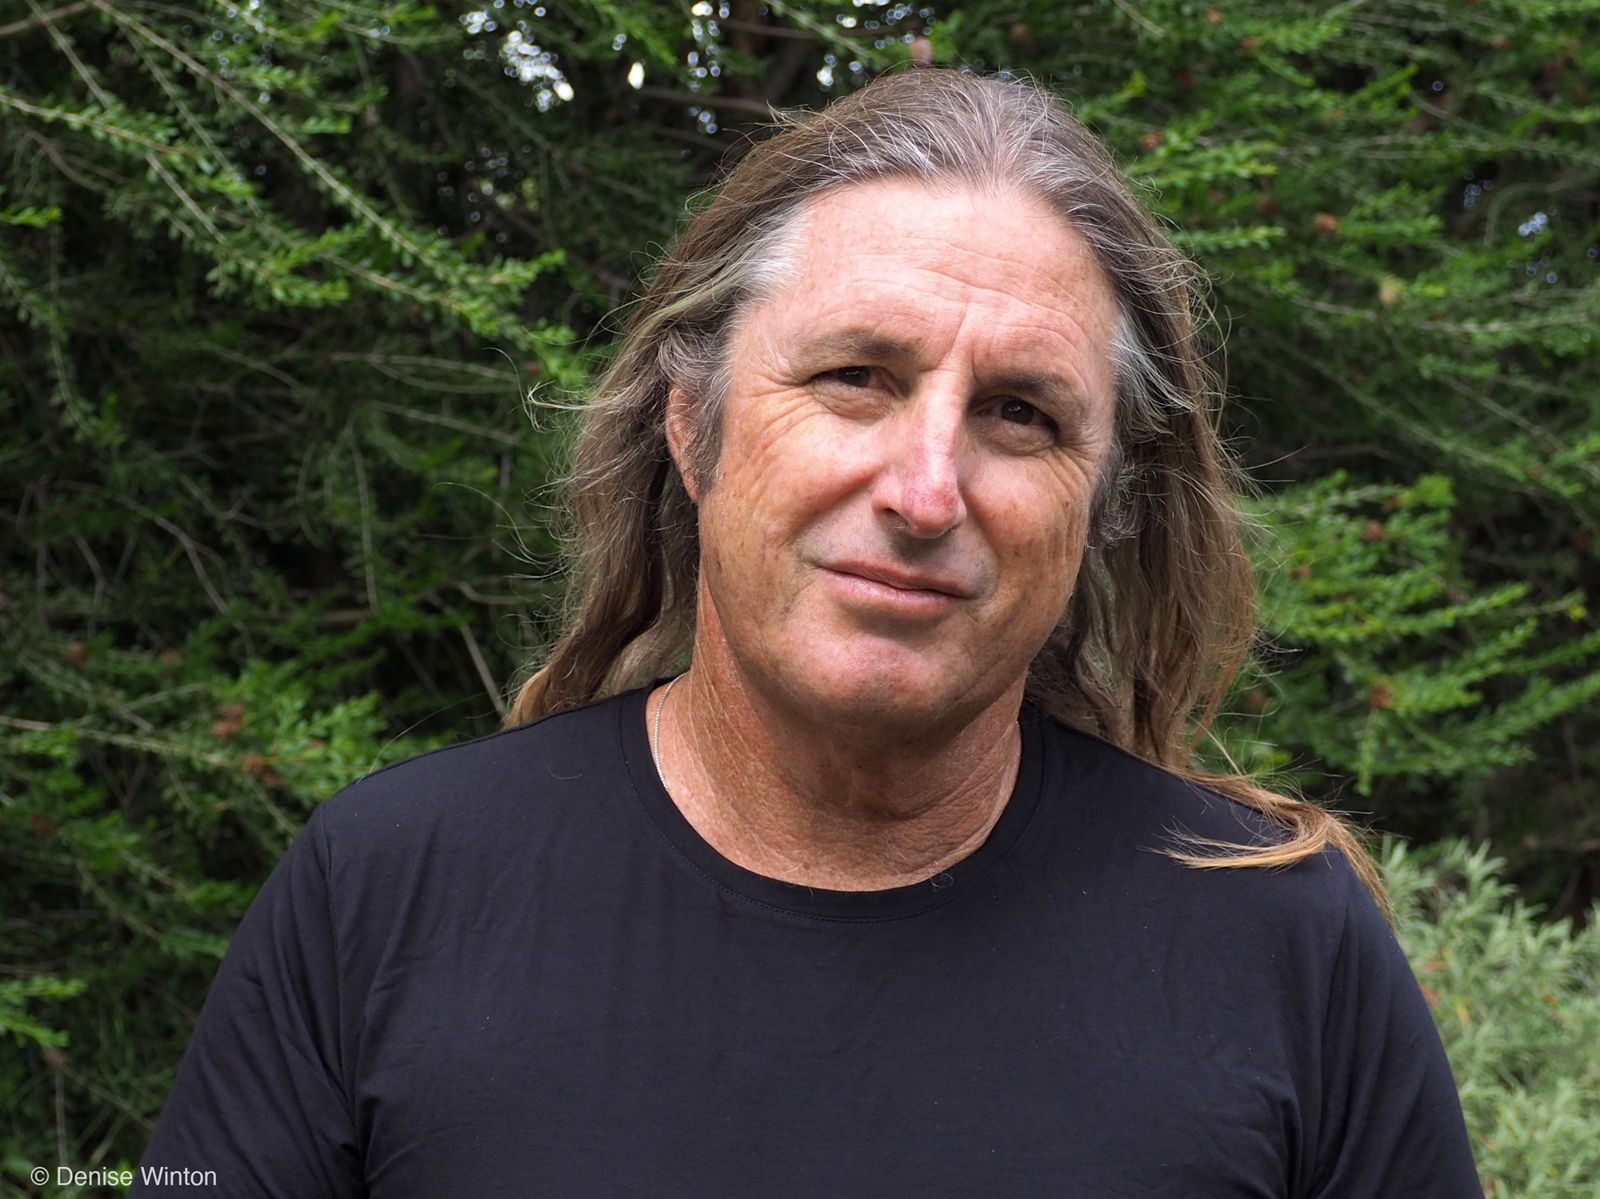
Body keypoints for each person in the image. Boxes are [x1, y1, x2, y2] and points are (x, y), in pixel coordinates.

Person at [136, 69, 1482, 1196]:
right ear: (692, 424)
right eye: (856, 378)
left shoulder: (1278, 946)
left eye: (1020, 413)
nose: (924, 490)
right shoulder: (386, 894)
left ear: (1107, 503)